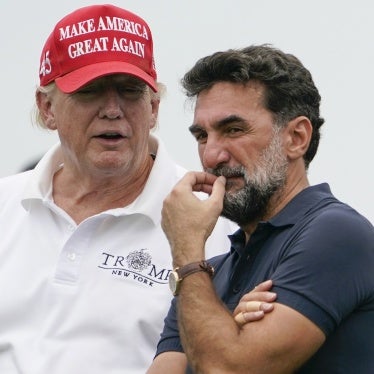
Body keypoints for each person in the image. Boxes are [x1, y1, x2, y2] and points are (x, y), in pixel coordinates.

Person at [0, 5, 242, 374]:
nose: (112, 109)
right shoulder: (5, 204)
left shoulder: (214, 221)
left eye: (130, 91)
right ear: (46, 107)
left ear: (154, 109)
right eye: (90, 91)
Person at [147, 45, 374, 373]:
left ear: (296, 138)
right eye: (201, 136)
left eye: (233, 130)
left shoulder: (337, 234)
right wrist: (227, 328)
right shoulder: (207, 273)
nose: (211, 156)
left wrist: (186, 254)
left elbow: (226, 369)